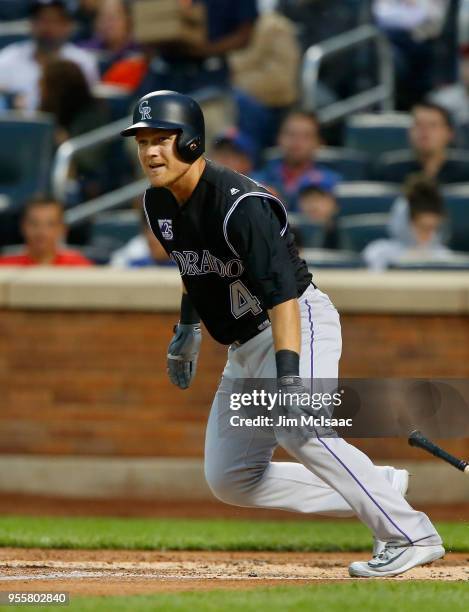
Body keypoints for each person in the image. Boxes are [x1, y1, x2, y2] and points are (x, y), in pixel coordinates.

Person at [121, 90, 444, 578]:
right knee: (231, 479)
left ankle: (410, 533)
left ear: (191, 142)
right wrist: (187, 327)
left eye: (162, 139)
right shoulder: (158, 203)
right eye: (143, 141)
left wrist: (290, 378)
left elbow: (283, 297)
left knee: (301, 427)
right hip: (244, 345)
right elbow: (196, 269)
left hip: (296, 323)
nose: (150, 152)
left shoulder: (241, 205)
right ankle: (378, 484)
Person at [0, 0, 99, 111]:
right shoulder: (7, 58)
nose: (47, 27)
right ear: (31, 24)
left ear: (68, 25)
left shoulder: (82, 62)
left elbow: (87, 112)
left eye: (55, 21)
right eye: (41, 19)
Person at [39, 59, 110, 200]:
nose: (39, 85)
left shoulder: (91, 114)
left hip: (86, 181)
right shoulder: (46, 113)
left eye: (44, 81)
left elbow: (92, 161)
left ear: (57, 87)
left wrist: (65, 142)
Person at [254, 110, 341, 210]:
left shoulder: (332, 185)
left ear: (319, 143)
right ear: (278, 138)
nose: (297, 141)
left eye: (306, 136)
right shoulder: (257, 182)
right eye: (291, 134)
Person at [364, 176, 452, 271]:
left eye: (433, 228)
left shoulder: (445, 258)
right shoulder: (378, 253)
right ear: (403, 223)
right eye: (422, 228)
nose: (428, 235)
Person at [376, 102, 468, 184]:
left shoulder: (465, 173)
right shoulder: (390, 172)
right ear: (409, 132)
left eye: (432, 125)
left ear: (449, 133)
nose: (424, 131)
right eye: (418, 125)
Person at [0, 198, 93, 266]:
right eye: (34, 224)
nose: (42, 232)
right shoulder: (5, 266)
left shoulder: (79, 266)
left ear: (62, 229)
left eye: (50, 224)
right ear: (23, 226)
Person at [79, 0, 146, 92]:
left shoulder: (141, 52)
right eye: (103, 17)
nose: (107, 23)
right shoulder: (85, 51)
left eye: (113, 17)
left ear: (128, 20)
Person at [297, 180, 339, 249]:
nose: (313, 206)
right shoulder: (292, 236)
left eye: (318, 199)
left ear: (334, 203)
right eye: (307, 200)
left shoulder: (344, 235)